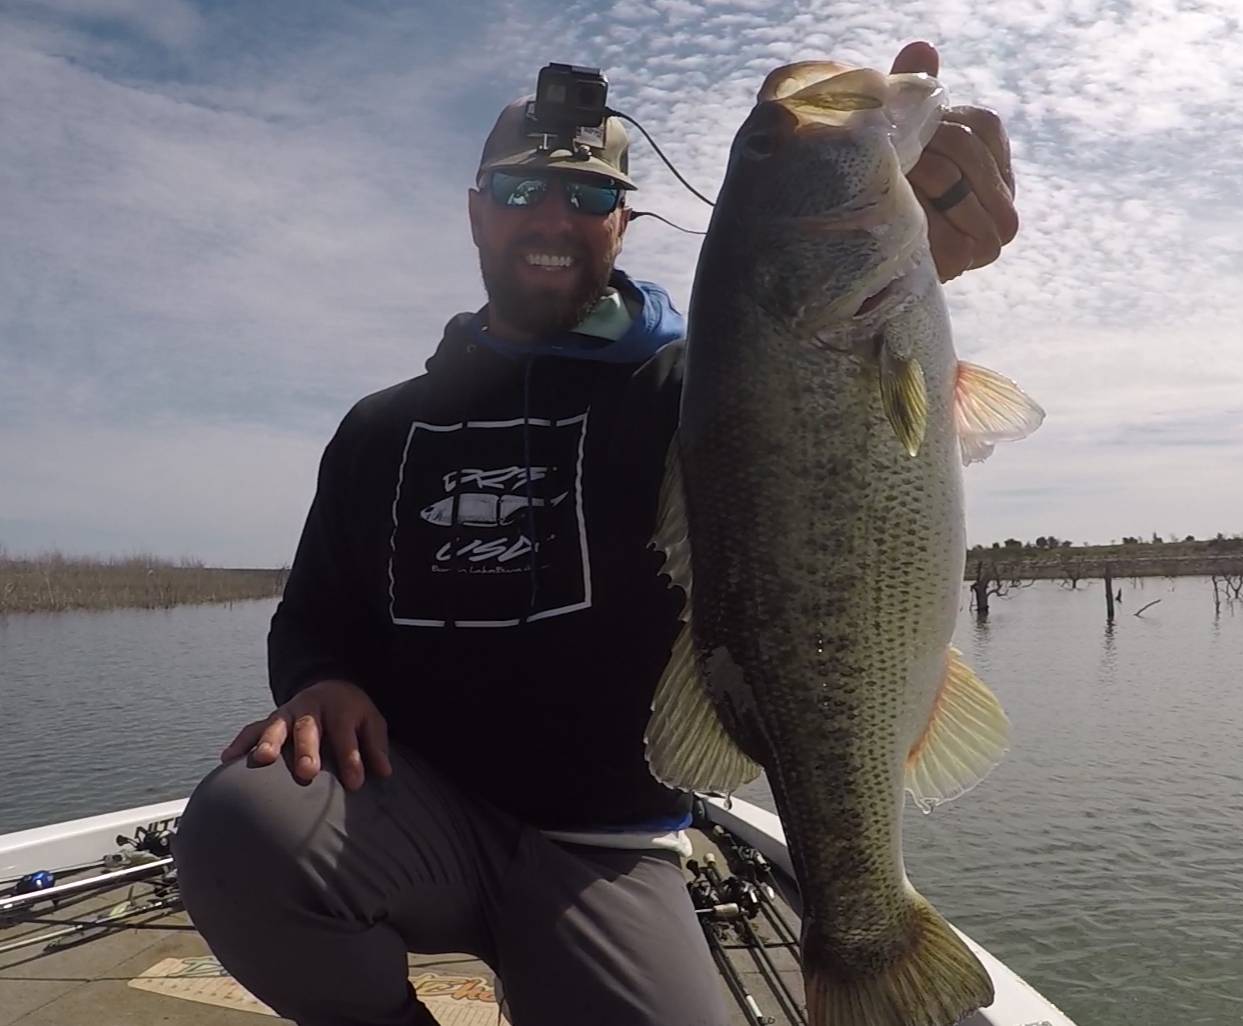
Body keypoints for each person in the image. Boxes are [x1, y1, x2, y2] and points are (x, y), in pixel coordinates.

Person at [173, 41, 1019, 1026]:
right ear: (476, 209)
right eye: (521, 187)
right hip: (411, 817)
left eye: (584, 195)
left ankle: (853, 933)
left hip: (607, 846)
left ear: (622, 219)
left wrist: (929, 223)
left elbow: (797, 393)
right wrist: (320, 680)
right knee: (243, 827)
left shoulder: (683, 391)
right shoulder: (379, 429)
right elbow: (313, 616)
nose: (549, 216)